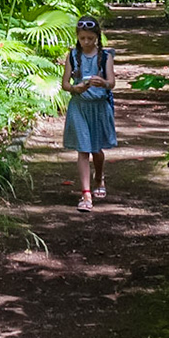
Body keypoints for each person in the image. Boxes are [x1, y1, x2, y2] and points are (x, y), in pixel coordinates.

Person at [61, 16, 117, 210]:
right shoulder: (73, 56)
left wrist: (103, 83)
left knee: (97, 150)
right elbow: (65, 84)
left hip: (99, 106)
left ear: (97, 38)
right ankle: (86, 195)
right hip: (79, 106)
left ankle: (99, 177)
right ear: (78, 37)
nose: (86, 42)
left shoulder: (105, 57)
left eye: (90, 39)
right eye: (83, 38)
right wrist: (75, 88)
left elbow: (112, 82)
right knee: (83, 149)